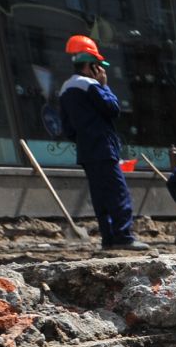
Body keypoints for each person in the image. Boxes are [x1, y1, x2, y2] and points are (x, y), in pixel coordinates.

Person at [57, 35, 145, 251]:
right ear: (90, 65)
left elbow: (67, 128)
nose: (101, 71)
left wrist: (83, 139)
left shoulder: (65, 89)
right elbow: (113, 109)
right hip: (104, 148)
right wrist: (105, 85)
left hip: (86, 151)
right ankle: (124, 237)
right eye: (98, 67)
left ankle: (108, 238)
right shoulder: (91, 85)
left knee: (100, 196)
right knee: (117, 192)